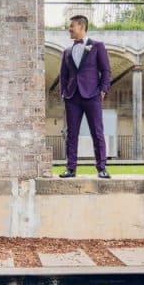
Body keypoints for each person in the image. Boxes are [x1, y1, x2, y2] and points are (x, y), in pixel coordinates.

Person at [59, 14, 111, 179]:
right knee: (71, 133)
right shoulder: (66, 51)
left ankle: (101, 168)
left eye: (72, 26)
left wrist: (102, 90)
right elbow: (63, 75)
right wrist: (64, 93)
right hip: (72, 97)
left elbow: (106, 71)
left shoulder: (97, 46)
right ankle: (71, 168)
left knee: (97, 132)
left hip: (92, 96)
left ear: (81, 26)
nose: (69, 29)